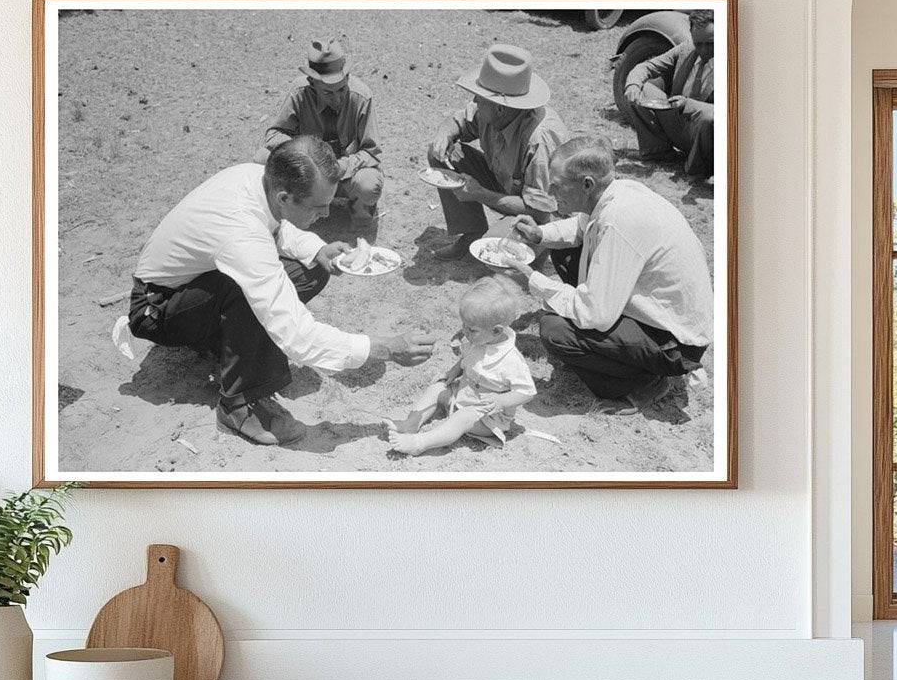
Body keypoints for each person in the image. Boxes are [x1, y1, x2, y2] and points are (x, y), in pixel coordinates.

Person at [128, 136, 435, 446]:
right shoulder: (241, 231)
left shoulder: (258, 179)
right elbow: (297, 335)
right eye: (319, 206)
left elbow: (276, 225)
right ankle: (236, 405)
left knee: (309, 269)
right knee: (246, 287)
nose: (328, 215)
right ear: (285, 197)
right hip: (156, 309)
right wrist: (384, 347)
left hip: (193, 288)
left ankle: (223, 344)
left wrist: (318, 249)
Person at [509, 134, 712, 404]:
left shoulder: (620, 221)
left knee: (555, 330)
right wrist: (539, 234)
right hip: (663, 317)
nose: (550, 193)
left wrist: (534, 280)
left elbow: (595, 314)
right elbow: (582, 228)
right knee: (566, 253)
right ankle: (621, 360)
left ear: (587, 184)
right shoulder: (616, 192)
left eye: (556, 186)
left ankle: (643, 383)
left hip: (675, 342)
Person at [426, 43, 569, 260]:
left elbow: (540, 211)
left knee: (495, 256)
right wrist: (443, 134)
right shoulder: (494, 113)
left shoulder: (539, 139)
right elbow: (458, 121)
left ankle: (537, 251)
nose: (474, 100)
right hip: (508, 187)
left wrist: (480, 193)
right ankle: (471, 233)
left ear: (500, 108)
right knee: (447, 153)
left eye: (481, 98)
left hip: (541, 216)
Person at [386, 275, 536, 456]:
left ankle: (420, 443)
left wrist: (501, 401)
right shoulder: (481, 338)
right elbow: (468, 359)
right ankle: (411, 423)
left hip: (486, 416)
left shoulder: (511, 360)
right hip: (463, 395)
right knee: (438, 387)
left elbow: (527, 391)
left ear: (496, 330)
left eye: (471, 329)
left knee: (463, 417)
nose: (464, 331)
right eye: (463, 324)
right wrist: (453, 371)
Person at [254, 40, 383, 229]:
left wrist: (338, 166)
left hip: (343, 170)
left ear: (347, 77)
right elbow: (274, 135)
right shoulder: (298, 93)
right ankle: (281, 215)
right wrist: (305, 154)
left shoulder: (361, 96)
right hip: (307, 171)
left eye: (341, 89)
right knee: (261, 159)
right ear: (312, 83)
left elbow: (371, 152)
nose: (337, 98)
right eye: (328, 93)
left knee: (368, 184)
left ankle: (359, 214)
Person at [623, 9, 715, 178]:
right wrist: (633, 86)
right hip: (682, 124)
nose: (703, 50)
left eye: (710, 44)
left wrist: (688, 104)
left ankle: (697, 171)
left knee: (709, 117)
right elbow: (646, 67)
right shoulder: (686, 49)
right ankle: (658, 152)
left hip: (709, 137)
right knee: (643, 89)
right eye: (698, 43)